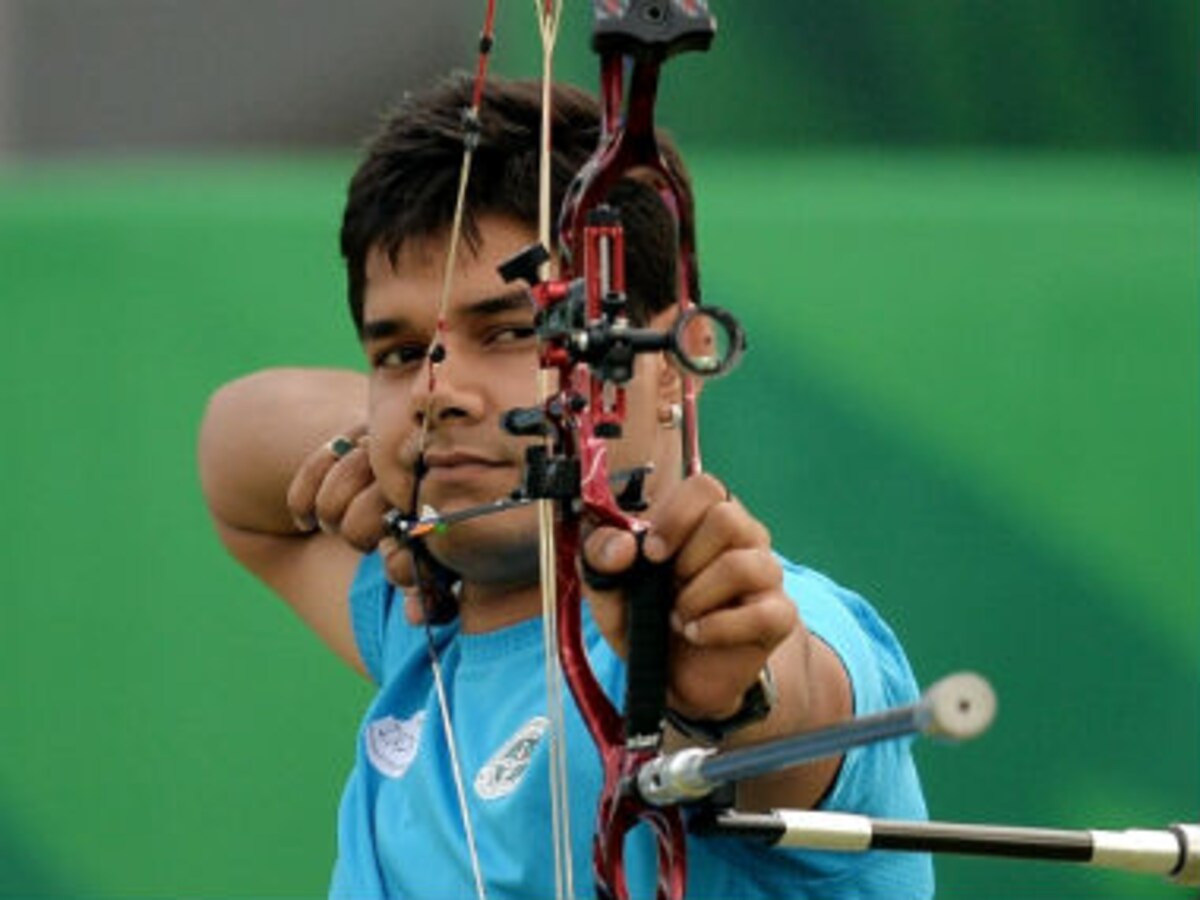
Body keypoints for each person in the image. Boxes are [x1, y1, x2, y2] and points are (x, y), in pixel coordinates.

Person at [198, 75, 932, 899]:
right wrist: (393, 448)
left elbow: (791, 700)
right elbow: (232, 439)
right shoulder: (423, 624)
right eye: (400, 354)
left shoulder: (765, 621)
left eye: (515, 333)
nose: (439, 385)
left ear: (672, 362)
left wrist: (718, 697)